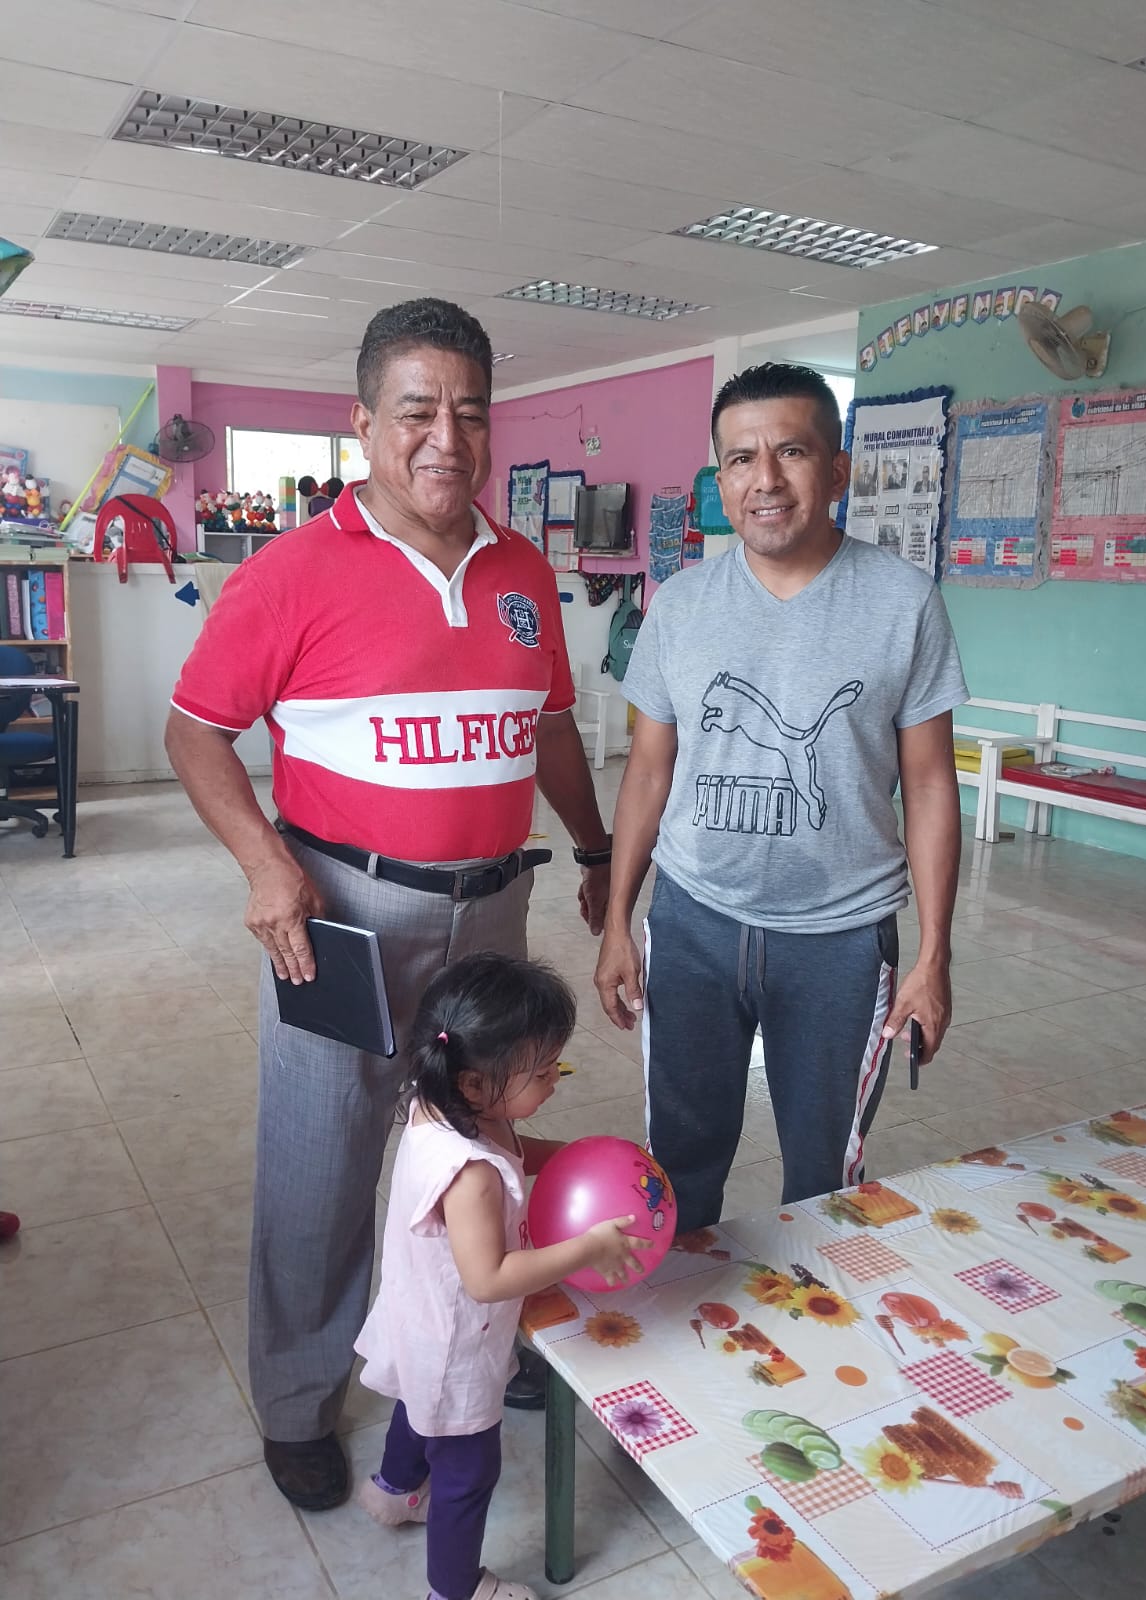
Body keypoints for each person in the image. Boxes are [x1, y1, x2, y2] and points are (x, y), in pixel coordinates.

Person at [164, 298, 613, 1511]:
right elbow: (195, 733)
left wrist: (593, 845)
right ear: (363, 424)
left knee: (482, 1146)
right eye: (416, 412)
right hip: (344, 917)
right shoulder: (290, 572)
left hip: (493, 909)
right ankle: (300, 1400)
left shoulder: (524, 572)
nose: (446, 439)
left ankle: (476, 1342)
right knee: (322, 1164)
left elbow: (550, 726)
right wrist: (267, 865)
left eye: (470, 412)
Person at [595, 363, 967, 1234]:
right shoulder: (681, 605)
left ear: (837, 471)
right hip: (693, 923)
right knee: (679, 1166)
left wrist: (935, 954)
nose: (764, 479)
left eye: (791, 452)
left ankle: (819, 1312)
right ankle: (687, 1318)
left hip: (842, 938)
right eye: (740, 459)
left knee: (824, 1179)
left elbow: (928, 782)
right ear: (720, 479)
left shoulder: (903, 602)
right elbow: (647, 771)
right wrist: (617, 920)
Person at [355, 952, 646, 1600]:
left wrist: (572, 1156)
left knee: (416, 1403)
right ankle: (455, 1588)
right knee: (466, 1474)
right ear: (474, 1084)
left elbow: (513, 1148)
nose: (555, 1082)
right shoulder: (472, 1175)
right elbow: (488, 1278)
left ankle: (394, 1490)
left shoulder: (439, 1106)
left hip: (417, 1315)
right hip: (458, 1343)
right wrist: (587, 1248)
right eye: (542, 1073)